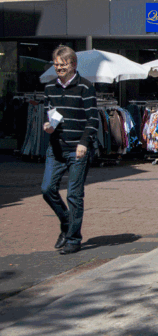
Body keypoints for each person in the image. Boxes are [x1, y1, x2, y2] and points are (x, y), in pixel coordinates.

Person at [41, 46, 99, 255]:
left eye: (63, 65)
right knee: (47, 189)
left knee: (74, 195)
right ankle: (67, 223)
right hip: (56, 147)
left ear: (73, 64)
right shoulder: (49, 89)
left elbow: (93, 119)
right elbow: (52, 116)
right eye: (56, 65)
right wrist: (48, 126)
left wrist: (84, 143)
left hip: (78, 150)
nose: (59, 69)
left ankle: (74, 239)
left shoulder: (85, 87)